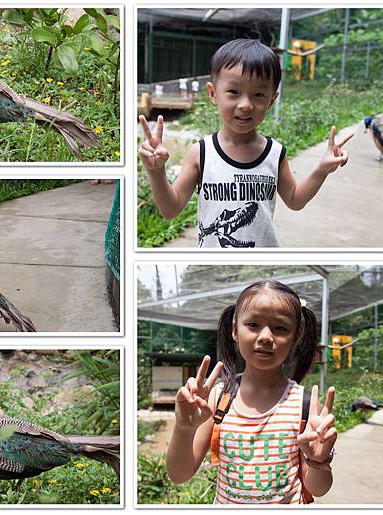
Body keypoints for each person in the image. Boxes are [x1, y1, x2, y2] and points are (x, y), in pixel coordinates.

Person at [138, 39, 354, 248]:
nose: (245, 105)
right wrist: (156, 172)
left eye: (258, 94)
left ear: (271, 99)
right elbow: (170, 210)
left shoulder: (275, 153)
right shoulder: (201, 153)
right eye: (233, 92)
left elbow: (295, 200)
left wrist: (322, 170)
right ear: (213, 94)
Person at [166, 280, 337, 504]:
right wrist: (183, 428)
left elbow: (318, 488)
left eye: (280, 328)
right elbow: (180, 474)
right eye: (254, 325)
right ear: (235, 329)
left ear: (296, 335)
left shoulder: (303, 404)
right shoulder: (218, 399)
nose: (266, 336)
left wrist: (318, 461)